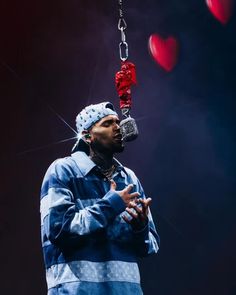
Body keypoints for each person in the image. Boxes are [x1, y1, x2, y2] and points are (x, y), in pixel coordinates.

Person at [40, 101, 160, 295]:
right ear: (87, 136)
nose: (118, 128)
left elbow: (150, 246)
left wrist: (141, 228)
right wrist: (111, 205)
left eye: (117, 122)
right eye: (107, 123)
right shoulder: (63, 170)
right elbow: (59, 230)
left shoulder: (128, 178)